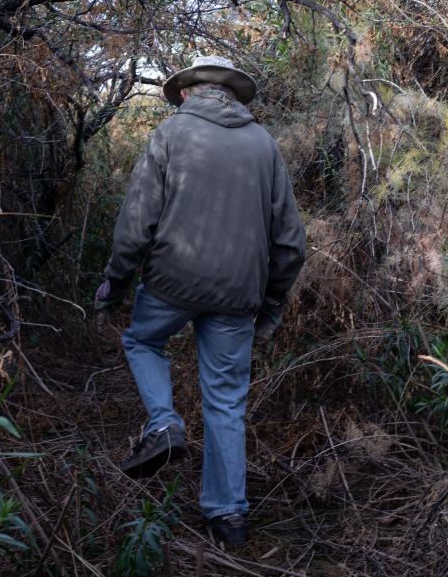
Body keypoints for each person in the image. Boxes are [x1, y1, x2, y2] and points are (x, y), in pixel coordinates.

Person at [94, 56, 306, 547]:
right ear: (230, 94)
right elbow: (291, 242)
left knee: (144, 342)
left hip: (172, 283)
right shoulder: (263, 145)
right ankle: (229, 516)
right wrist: (270, 305)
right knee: (226, 401)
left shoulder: (170, 134)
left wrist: (116, 284)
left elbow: (135, 224)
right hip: (238, 297)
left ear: (188, 92)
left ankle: (164, 423)